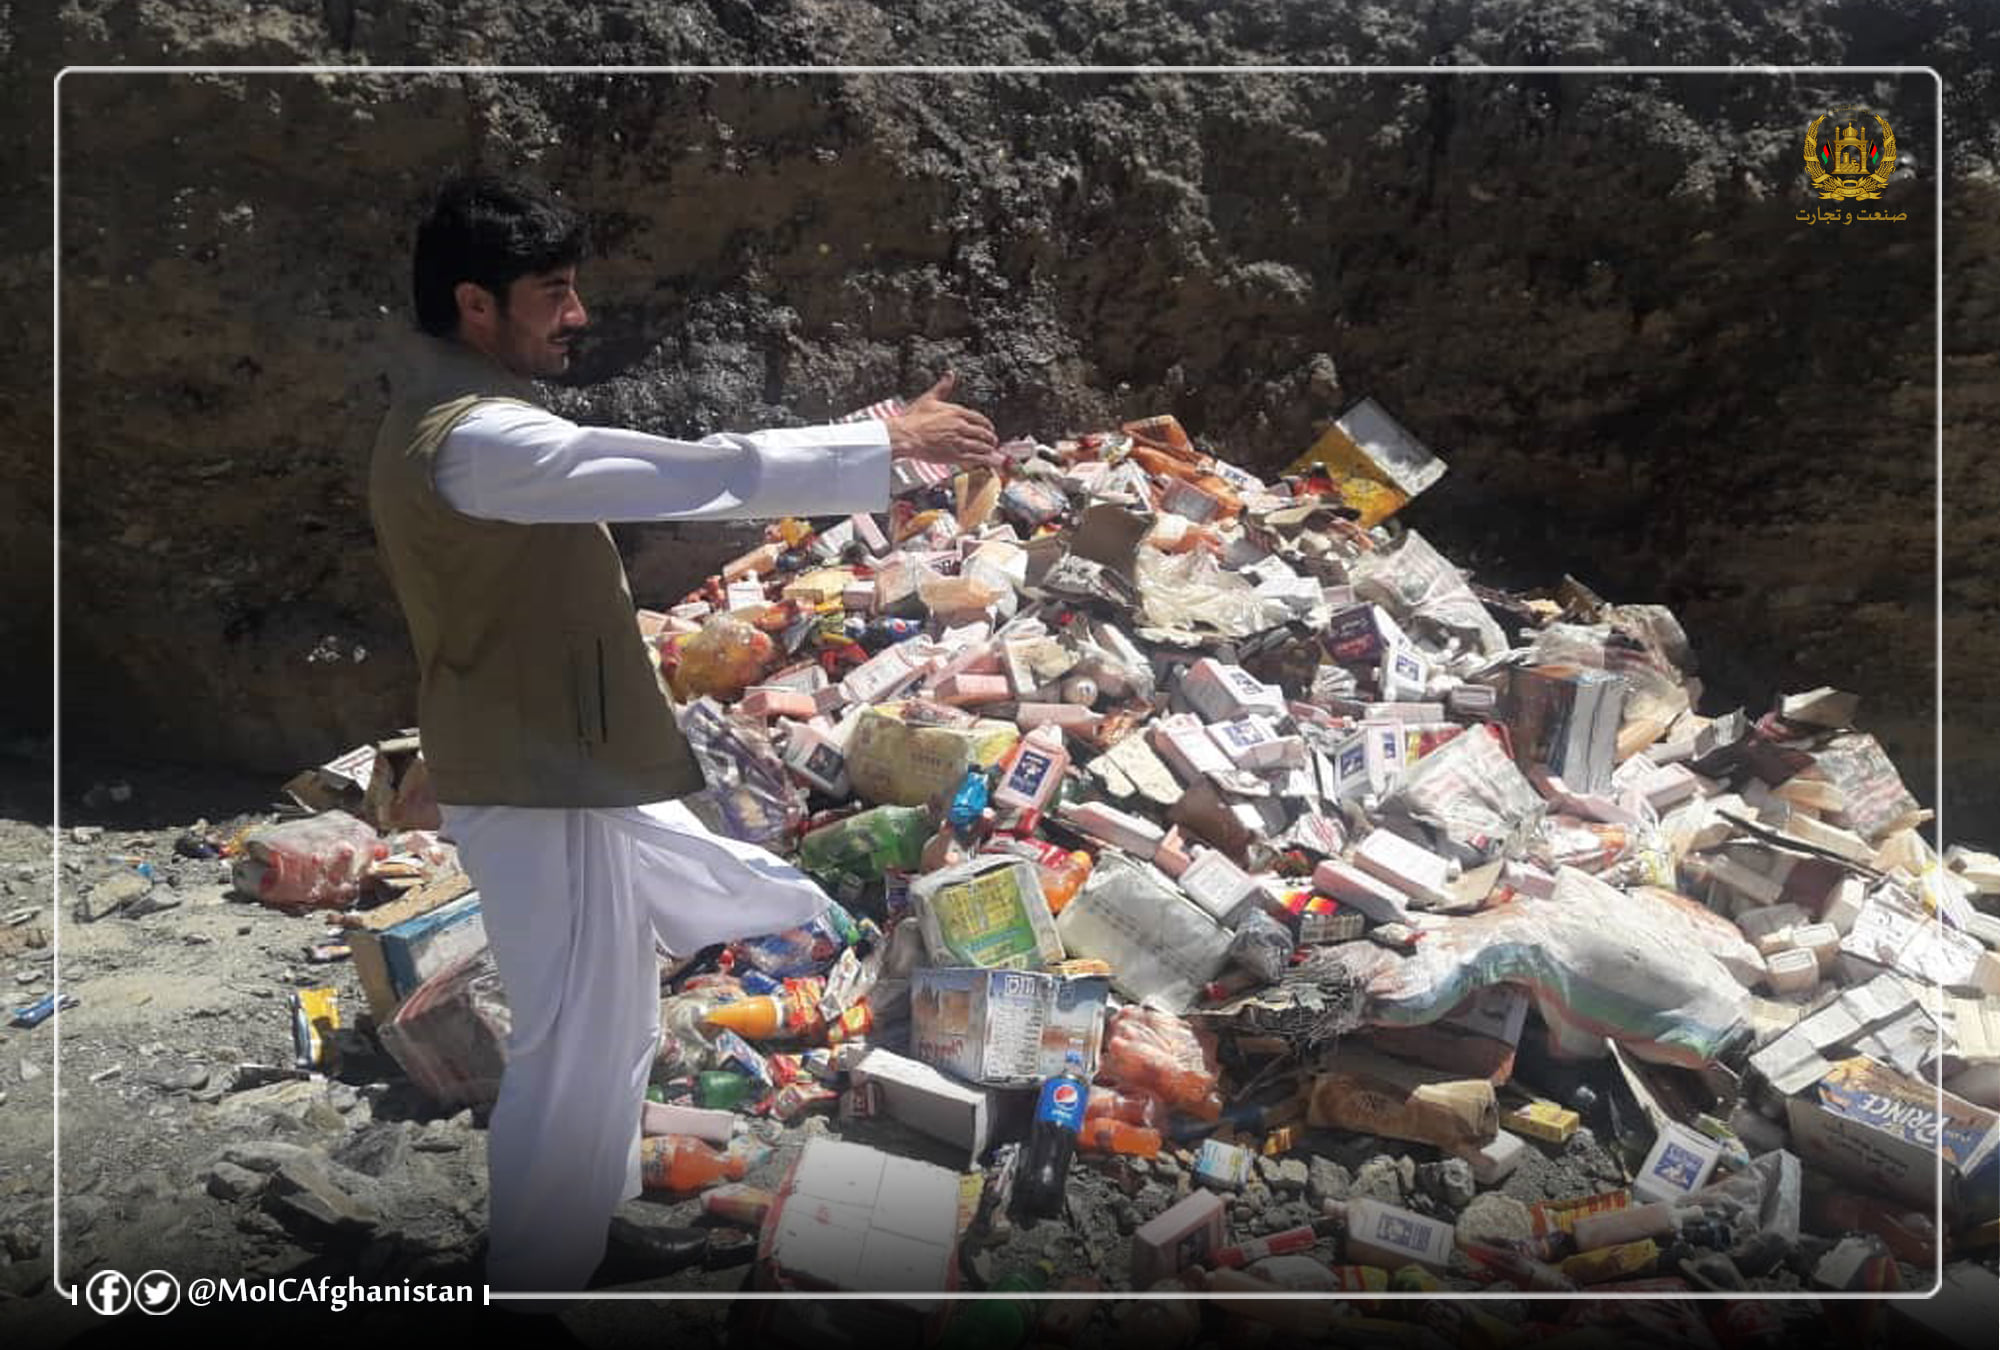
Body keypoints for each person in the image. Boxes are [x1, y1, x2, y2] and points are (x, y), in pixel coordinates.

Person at [367, 171, 999, 1295]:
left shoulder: (468, 418)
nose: (575, 315)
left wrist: (872, 443)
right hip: (528, 776)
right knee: (569, 1035)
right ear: (475, 304)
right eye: (551, 291)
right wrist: (879, 442)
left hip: (561, 763)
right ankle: (531, 1283)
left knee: (612, 1023)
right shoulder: (477, 443)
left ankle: (578, 1231)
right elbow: (691, 473)